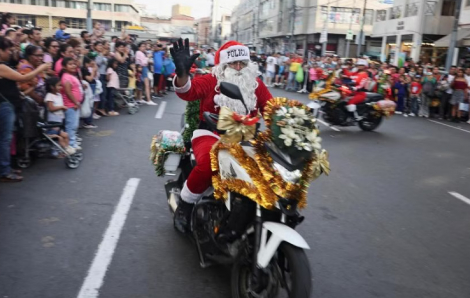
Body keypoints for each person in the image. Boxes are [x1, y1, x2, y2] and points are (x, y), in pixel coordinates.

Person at [170, 39, 273, 232]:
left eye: (242, 63)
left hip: (245, 138)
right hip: (211, 133)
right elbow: (188, 91)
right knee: (211, 161)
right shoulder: (212, 80)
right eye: (233, 63)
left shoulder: (255, 84)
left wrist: (289, 124)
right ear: (224, 64)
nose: (238, 67)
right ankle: (185, 206)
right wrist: (182, 74)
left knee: (271, 168)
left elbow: (272, 109)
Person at [0, 36, 51, 182]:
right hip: (5, 106)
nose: (10, 52)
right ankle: (4, 171)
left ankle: (6, 167)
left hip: (8, 104)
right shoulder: (1, 67)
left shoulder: (5, 64)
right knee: (5, 139)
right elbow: (23, 78)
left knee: (6, 138)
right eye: (8, 50)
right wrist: (40, 68)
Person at [44, 76, 76, 156]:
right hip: (52, 122)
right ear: (52, 87)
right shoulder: (49, 96)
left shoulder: (59, 95)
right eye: (59, 85)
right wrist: (61, 107)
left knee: (66, 135)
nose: (60, 87)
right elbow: (51, 108)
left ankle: (66, 149)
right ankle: (55, 153)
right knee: (58, 138)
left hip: (59, 120)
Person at [60, 57, 83, 150]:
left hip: (74, 105)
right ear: (64, 67)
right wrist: (76, 102)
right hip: (70, 105)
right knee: (71, 126)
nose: (73, 66)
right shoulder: (66, 77)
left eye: (74, 64)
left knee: (74, 125)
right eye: (70, 64)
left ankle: (73, 142)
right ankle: (70, 144)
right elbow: (68, 92)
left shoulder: (72, 76)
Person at [81, 56, 98, 128]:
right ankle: (88, 122)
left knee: (91, 103)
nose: (90, 65)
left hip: (91, 85)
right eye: (89, 63)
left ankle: (88, 121)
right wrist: (93, 71)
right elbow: (90, 79)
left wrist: (94, 68)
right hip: (89, 86)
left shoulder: (87, 69)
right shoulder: (84, 70)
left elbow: (95, 75)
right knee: (89, 104)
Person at [94, 41, 108, 116]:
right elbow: (98, 63)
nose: (101, 47)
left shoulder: (102, 54)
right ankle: (99, 109)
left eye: (101, 45)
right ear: (95, 46)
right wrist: (102, 55)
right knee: (100, 92)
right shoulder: (94, 54)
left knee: (103, 92)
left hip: (103, 74)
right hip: (98, 75)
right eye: (99, 45)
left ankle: (100, 108)